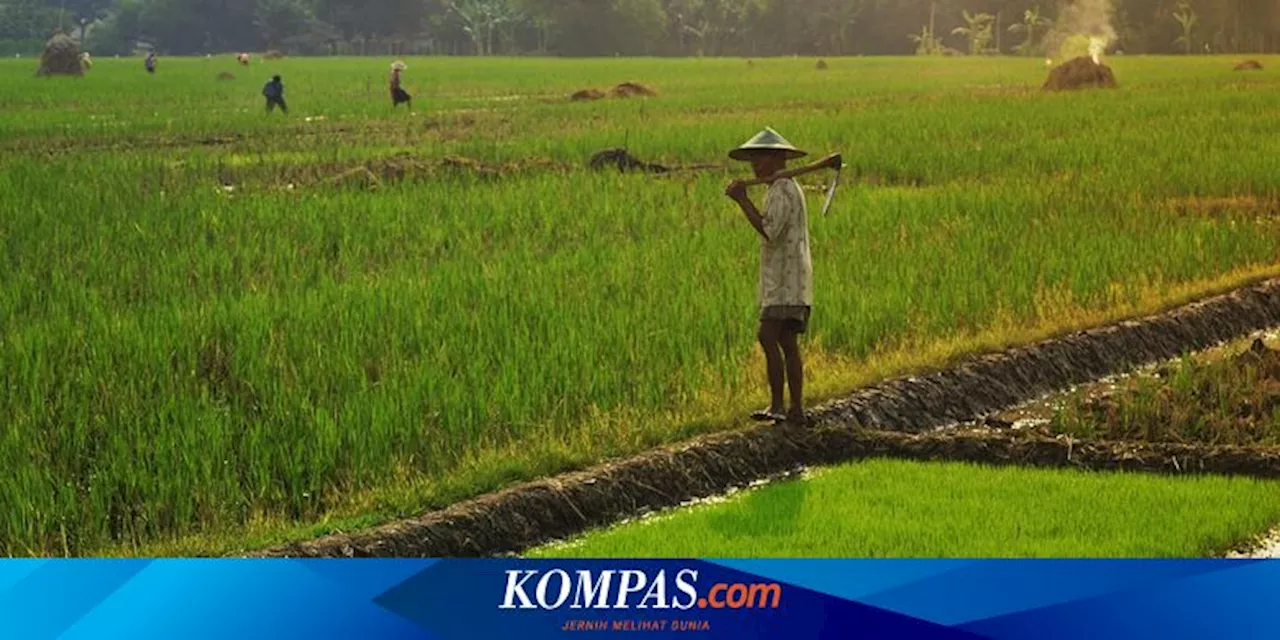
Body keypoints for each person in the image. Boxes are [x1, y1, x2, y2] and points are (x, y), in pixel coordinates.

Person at [724, 127, 827, 426]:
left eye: (761, 157)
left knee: (767, 336)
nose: (756, 165)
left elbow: (770, 231)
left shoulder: (782, 190)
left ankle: (780, 406)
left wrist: (742, 200)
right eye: (753, 159)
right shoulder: (782, 187)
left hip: (786, 279)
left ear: (778, 157)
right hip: (789, 277)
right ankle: (793, 409)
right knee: (786, 340)